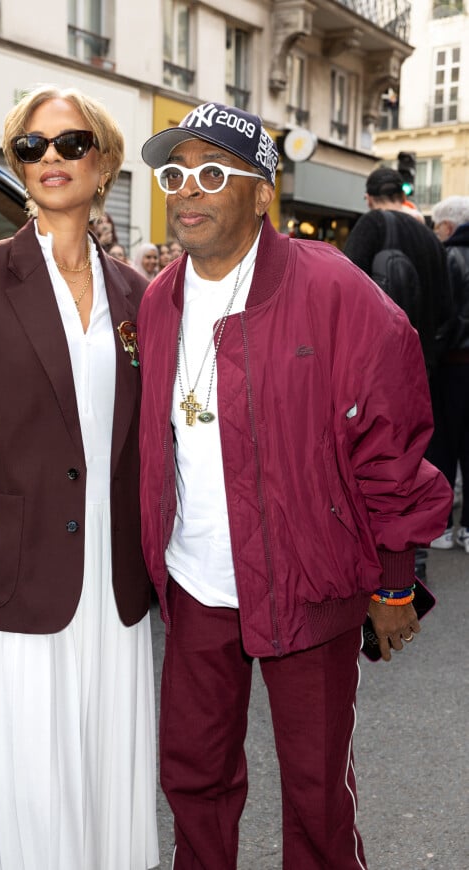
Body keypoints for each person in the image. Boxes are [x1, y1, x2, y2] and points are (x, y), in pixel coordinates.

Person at [137, 101, 452, 870]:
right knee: (194, 774)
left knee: (316, 791)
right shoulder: (156, 300)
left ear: (261, 191)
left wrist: (394, 580)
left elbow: (392, 442)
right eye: (175, 174)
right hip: (196, 582)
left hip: (309, 582)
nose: (188, 191)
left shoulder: (335, 290)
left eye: (213, 173)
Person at [0, 84, 159, 870]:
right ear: (16, 163)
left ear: (104, 163)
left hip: (114, 588)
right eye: (31, 146)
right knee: (30, 786)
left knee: (108, 779)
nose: (50, 159)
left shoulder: (139, 295)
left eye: (69, 144)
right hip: (13, 582)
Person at [343, 167, 451, 373]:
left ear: (368, 199)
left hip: (383, 364)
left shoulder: (373, 223)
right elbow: (446, 309)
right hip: (424, 364)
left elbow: (346, 286)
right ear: (403, 196)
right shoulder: (432, 238)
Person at [427, 195, 469, 551]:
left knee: (444, 445)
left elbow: (447, 316)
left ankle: (440, 527)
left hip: (454, 364)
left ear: (448, 226)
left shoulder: (450, 257)